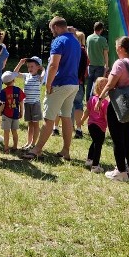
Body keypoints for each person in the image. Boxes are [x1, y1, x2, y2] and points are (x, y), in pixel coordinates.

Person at [22, 17, 81, 160]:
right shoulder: (75, 41)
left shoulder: (59, 41)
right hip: (73, 84)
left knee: (49, 119)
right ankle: (65, 151)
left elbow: (54, 65)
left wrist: (48, 84)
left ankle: (36, 150)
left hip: (59, 84)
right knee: (66, 117)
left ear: (56, 27)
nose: (51, 32)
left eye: (51, 29)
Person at [99, 36, 129, 181]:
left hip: (119, 105)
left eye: (116, 46)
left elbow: (110, 84)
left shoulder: (119, 63)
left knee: (117, 138)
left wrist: (99, 98)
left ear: (121, 48)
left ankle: (120, 171)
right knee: (127, 136)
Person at [13, 56, 45, 151]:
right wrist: (20, 63)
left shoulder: (39, 78)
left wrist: (43, 68)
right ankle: (28, 142)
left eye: (32, 66)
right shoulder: (27, 75)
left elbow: (44, 75)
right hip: (27, 103)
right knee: (30, 124)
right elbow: (14, 74)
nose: (30, 69)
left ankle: (34, 143)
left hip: (35, 104)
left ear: (38, 67)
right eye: (28, 67)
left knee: (35, 124)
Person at [79, 77, 110, 173]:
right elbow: (106, 116)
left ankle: (89, 160)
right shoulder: (105, 102)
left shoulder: (92, 99)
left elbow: (87, 111)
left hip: (91, 125)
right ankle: (95, 166)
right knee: (98, 145)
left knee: (94, 142)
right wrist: (110, 126)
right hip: (100, 127)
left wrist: (81, 121)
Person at [0, 71, 25, 152]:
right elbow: (21, 102)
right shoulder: (18, 90)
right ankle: (15, 147)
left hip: (6, 115)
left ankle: (6, 148)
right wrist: (21, 112)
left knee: (6, 132)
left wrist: (0, 112)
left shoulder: (3, 92)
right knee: (15, 131)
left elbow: (2, 104)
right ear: (14, 80)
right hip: (16, 114)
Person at [85, 22, 109, 101]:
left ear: (94, 28)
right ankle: (93, 100)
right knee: (96, 84)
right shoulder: (102, 39)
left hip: (90, 64)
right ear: (101, 29)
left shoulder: (88, 38)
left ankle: (88, 99)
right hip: (100, 65)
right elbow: (105, 54)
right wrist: (107, 65)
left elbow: (87, 50)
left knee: (89, 82)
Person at [72, 31, 89, 139]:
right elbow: (87, 68)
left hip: (70, 82)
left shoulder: (72, 50)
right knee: (78, 104)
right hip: (80, 82)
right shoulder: (84, 52)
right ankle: (78, 128)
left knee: (67, 105)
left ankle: (68, 128)